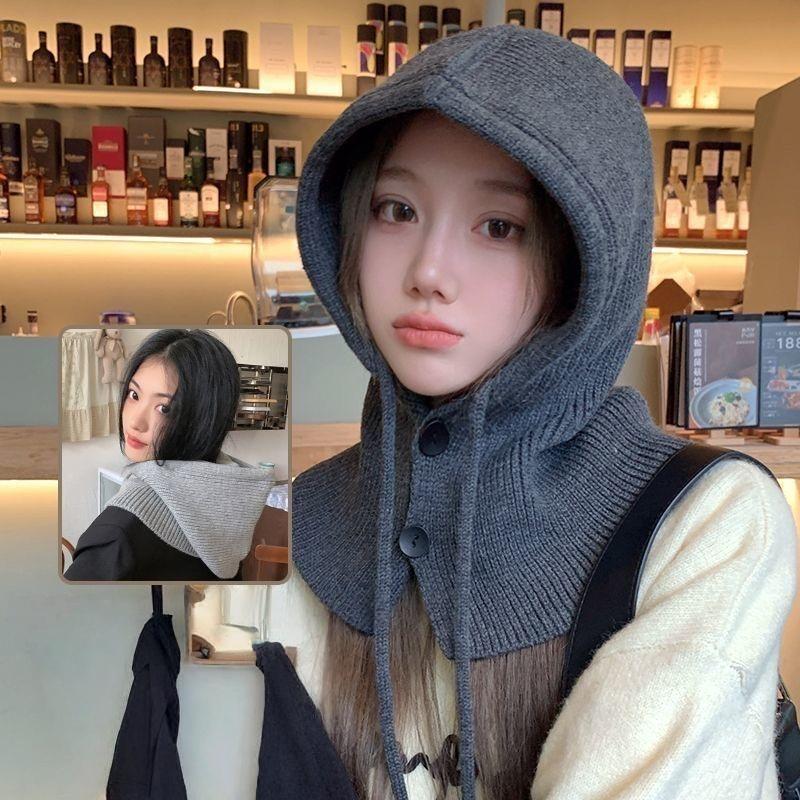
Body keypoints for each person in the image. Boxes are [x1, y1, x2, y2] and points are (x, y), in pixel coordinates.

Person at [263, 25, 797, 800]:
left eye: (499, 227)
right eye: (396, 209)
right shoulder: (295, 523)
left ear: (584, 264)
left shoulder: (705, 519)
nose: (429, 272)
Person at [64, 328, 273, 582]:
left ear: (203, 418)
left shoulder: (118, 533)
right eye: (134, 395)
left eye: (164, 408)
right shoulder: (236, 494)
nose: (135, 422)